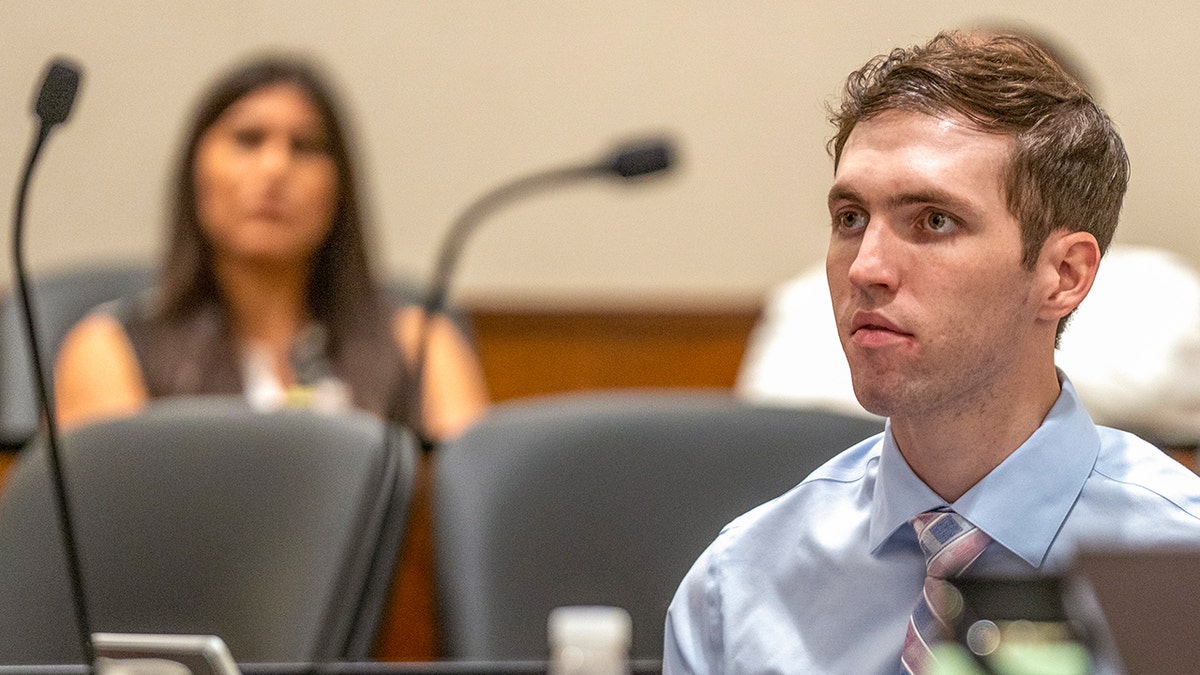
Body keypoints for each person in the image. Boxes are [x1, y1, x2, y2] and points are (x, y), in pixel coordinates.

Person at [664, 30, 1200, 674]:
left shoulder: (1179, 563)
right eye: (851, 218)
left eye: (934, 221)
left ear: (1063, 275)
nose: (867, 268)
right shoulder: (741, 583)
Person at [52, 54, 488, 443]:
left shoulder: (418, 343)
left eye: (305, 147)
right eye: (248, 139)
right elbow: (111, 525)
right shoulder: (113, 349)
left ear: (340, 186)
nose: (275, 168)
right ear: (194, 171)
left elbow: (465, 511)